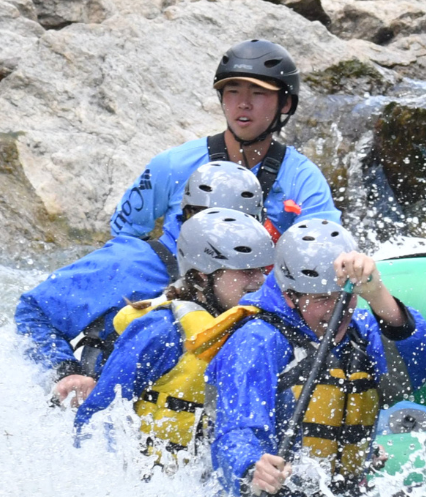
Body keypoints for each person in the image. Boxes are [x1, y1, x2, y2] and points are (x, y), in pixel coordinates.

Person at [207, 219, 426, 497]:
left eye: (344, 296)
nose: (338, 310)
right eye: (322, 298)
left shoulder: (361, 329)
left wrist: (375, 293)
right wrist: (251, 468)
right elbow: (235, 431)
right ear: (290, 297)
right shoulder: (257, 342)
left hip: (349, 495)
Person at [18, 160, 267, 404]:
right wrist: (65, 371)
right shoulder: (126, 262)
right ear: (188, 213)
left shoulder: (258, 279)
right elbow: (34, 310)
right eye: (213, 218)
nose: (225, 232)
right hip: (108, 411)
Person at [73, 207, 278, 464]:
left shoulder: (259, 332)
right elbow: (98, 415)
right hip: (151, 477)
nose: (260, 280)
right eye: (246, 271)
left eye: (262, 270)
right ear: (202, 276)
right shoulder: (160, 332)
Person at [112, 39, 339, 248]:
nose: (243, 104)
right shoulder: (172, 165)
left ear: (286, 103)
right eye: (233, 92)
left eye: (258, 93)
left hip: (261, 288)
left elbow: (324, 249)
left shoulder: (303, 178)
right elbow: (124, 237)